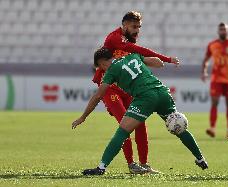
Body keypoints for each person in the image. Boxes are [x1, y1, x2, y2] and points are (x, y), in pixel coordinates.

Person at [72, 47, 208, 175]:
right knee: (179, 128)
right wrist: (152, 61)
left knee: (122, 131)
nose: (101, 69)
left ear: (102, 63)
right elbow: (158, 63)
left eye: (100, 67)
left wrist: (83, 116)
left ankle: (101, 168)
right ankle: (200, 158)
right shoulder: (132, 56)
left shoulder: (111, 70)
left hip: (145, 97)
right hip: (162, 92)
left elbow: (98, 96)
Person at [93, 11, 179, 174]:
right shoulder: (115, 38)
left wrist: (153, 63)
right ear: (124, 25)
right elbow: (136, 49)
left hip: (127, 87)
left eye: (139, 27)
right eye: (134, 27)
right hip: (111, 87)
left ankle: (144, 164)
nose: (137, 30)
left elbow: (137, 58)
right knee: (125, 125)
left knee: (140, 123)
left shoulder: (129, 38)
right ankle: (132, 164)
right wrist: (167, 59)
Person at [201, 22, 228, 139]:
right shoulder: (212, 45)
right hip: (216, 79)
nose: (223, 31)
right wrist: (204, 72)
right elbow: (205, 60)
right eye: (221, 30)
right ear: (218, 31)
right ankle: (212, 128)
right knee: (214, 102)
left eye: (225, 30)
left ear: (227, 31)